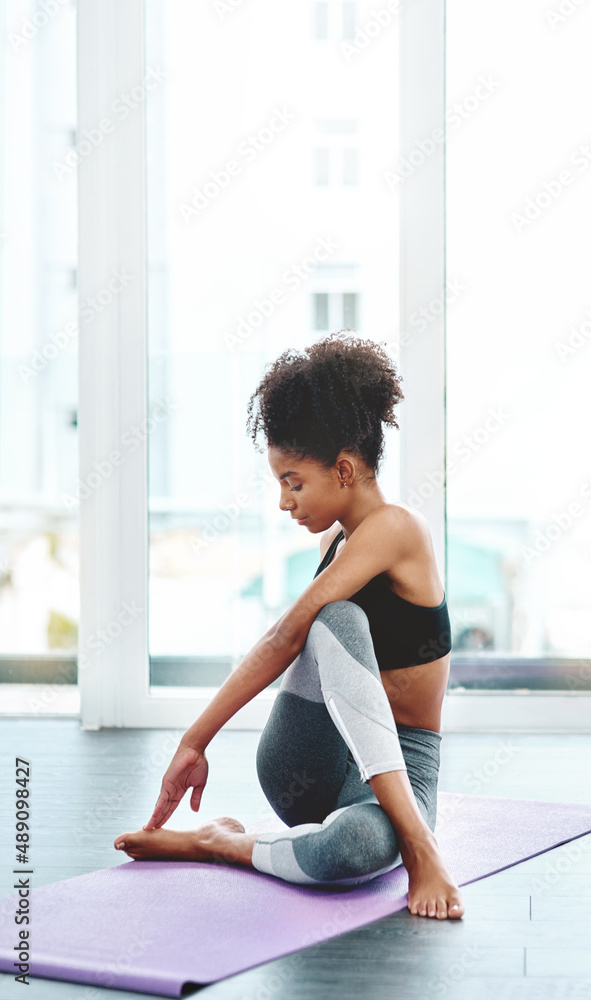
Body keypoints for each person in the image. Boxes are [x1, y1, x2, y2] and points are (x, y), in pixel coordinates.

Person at [114, 331, 464, 920]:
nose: (284, 502)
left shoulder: (399, 529)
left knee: (346, 855)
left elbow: (286, 632)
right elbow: (288, 641)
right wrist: (192, 743)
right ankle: (407, 848)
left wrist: (196, 740)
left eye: (294, 482)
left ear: (345, 470)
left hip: (400, 767)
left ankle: (222, 843)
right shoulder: (336, 540)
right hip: (306, 764)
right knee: (328, 618)